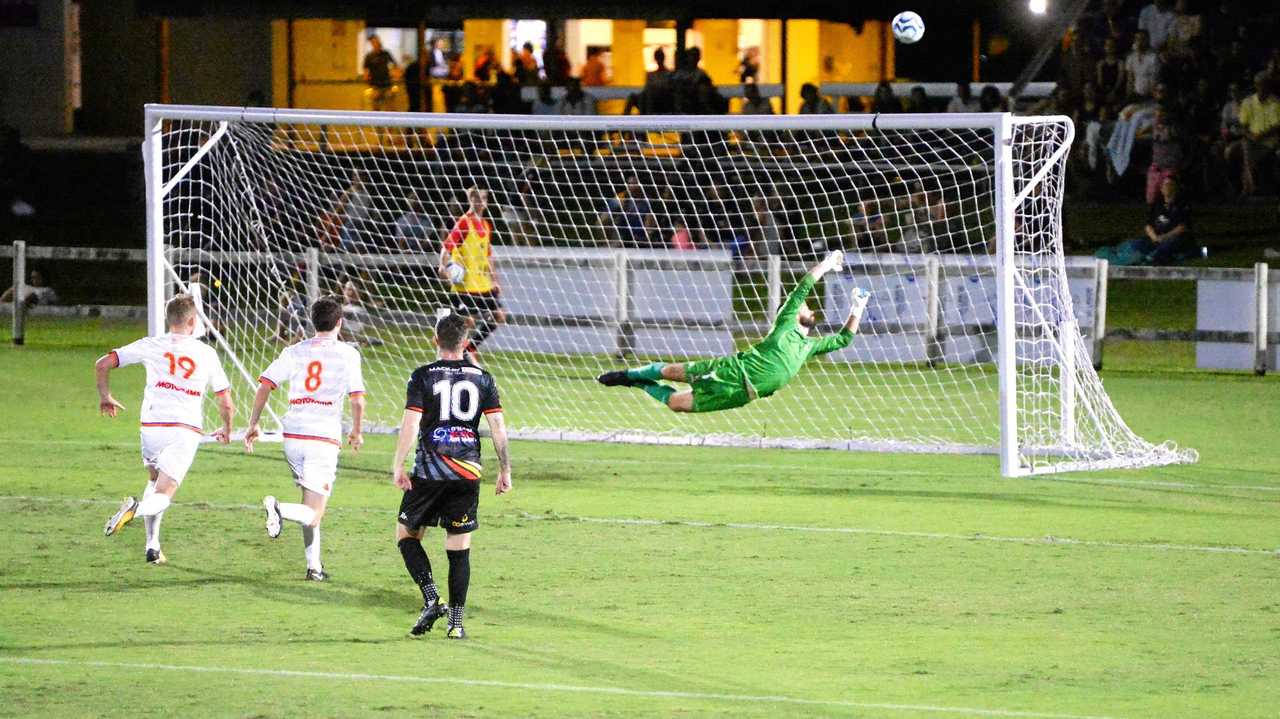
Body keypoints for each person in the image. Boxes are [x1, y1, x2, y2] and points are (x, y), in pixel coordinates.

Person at [598, 251, 869, 413]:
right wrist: (828, 262)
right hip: (732, 371)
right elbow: (805, 285)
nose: (810, 308)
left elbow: (844, 338)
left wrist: (858, 307)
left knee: (675, 405)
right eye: (805, 306)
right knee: (671, 372)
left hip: (740, 395)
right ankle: (629, 375)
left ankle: (636, 383)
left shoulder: (809, 346)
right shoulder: (786, 322)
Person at [392, 311, 511, 639]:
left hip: (430, 471)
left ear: (435, 341)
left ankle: (431, 598)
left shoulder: (422, 376)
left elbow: (411, 423)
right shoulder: (483, 377)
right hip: (468, 470)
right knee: (459, 547)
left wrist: (398, 465)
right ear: (466, 343)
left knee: (406, 535)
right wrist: (505, 469)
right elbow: (497, 426)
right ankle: (456, 624)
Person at [99, 294, 235, 564]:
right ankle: (135, 510)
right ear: (193, 321)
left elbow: (102, 363)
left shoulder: (151, 344)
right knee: (164, 492)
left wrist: (105, 396)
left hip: (151, 427)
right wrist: (227, 428)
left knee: (154, 483)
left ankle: (152, 545)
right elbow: (226, 403)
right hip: (183, 429)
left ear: (168, 319)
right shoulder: (206, 353)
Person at [244, 296, 365, 581]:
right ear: (339, 322)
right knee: (313, 513)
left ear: (313, 322)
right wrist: (357, 431)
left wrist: (253, 423)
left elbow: (265, 385)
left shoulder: (294, 350)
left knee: (308, 505)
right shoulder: (348, 354)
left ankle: (315, 567)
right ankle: (278, 508)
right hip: (322, 438)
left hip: (293, 436)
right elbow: (358, 400)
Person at [438, 187, 506, 363]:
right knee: (467, 322)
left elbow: (488, 255)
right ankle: (458, 356)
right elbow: (447, 246)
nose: (480, 202)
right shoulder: (464, 222)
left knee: (499, 316)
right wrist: (442, 266)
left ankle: (470, 348)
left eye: (483, 198)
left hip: (483, 283)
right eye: (476, 198)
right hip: (465, 284)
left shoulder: (485, 225)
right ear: (470, 200)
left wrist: (494, 279)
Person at [1228, 72, 1280, 195]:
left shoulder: (1276, 103)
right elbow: (1243, 125)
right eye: (1260, 85)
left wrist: (1260, 135)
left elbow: (1277, 127)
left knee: (1246, 148)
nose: (1263, 88)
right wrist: (1251, 136)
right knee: (1229, 151)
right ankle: (1244, 186)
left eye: (1265, 85)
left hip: (1268, 142)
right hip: (1250, 139)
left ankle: (1247, 188)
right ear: (1256, 85)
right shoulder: (1248, 102)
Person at [599, 176, 656, 247]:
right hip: (622, 232)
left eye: (634, 183)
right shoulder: (622, 197)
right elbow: (603, 219)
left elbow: (650, 221)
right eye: (629, 183)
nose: (631, 186)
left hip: (640, 235)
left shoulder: (648, 200)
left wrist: (647, 236)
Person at [363, 34, 399, 111]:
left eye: (377, 41)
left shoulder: (386, 54)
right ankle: (376, 123)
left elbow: (394, 65)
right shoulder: (369, 56)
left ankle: (390, 122)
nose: (375, 44)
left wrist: (395, 75)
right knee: (375, 108)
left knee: (390, 108)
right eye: (373, 42)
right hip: (375, 86)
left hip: (387, 85)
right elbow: (366, 70)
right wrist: (367, 81)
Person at [1125, 30, 1160, 100]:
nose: (1139, 42)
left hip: (1149, 95)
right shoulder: (1131, 57)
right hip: (1135, 95)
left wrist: (1149, 94)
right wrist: (1129, 94)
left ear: (1147, 40)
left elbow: (1155, 79)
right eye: (1137, 39)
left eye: (1142, 39)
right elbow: (1130, 79)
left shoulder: (1153, 57)